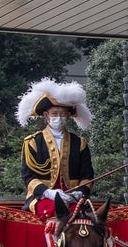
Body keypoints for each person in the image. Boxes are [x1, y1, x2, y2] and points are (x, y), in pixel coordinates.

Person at [16, 78, 95, 218]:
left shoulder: (80, 143)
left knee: (85, 217)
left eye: (63, 114)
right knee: (56, 212)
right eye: (54, 113)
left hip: (74, 199)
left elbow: (87, 175)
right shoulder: (33, 142)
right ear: (46, 115)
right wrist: (49, 192)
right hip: (42, 198)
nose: (59, 117)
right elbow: (28, 176)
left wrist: (80, 192)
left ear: (69, 116)